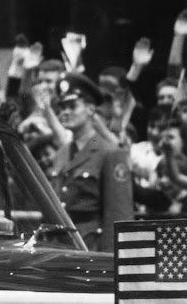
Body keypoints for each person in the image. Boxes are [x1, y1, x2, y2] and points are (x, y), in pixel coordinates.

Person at [48, 72, 133, 252]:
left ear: (90, 109)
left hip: (92, 248)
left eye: (72, 106)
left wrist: (110, 260)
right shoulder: (61, 154)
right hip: (60, 248)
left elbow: (119, 216)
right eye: (61, 107)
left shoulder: (109, 152)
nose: (65, 112)